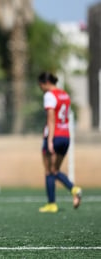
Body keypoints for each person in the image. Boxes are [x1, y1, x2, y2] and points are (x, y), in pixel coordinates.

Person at [37, 72, 82, 213]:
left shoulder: (49, 96)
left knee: (49, 171)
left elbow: (51, 119)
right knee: (55, 170)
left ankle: (52, 204)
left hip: (54, 136)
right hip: (65, 136)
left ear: (45, 83)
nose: (40, 88)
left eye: (40, 85)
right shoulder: (65, 94)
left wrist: (49, 140)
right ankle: (74, 189)